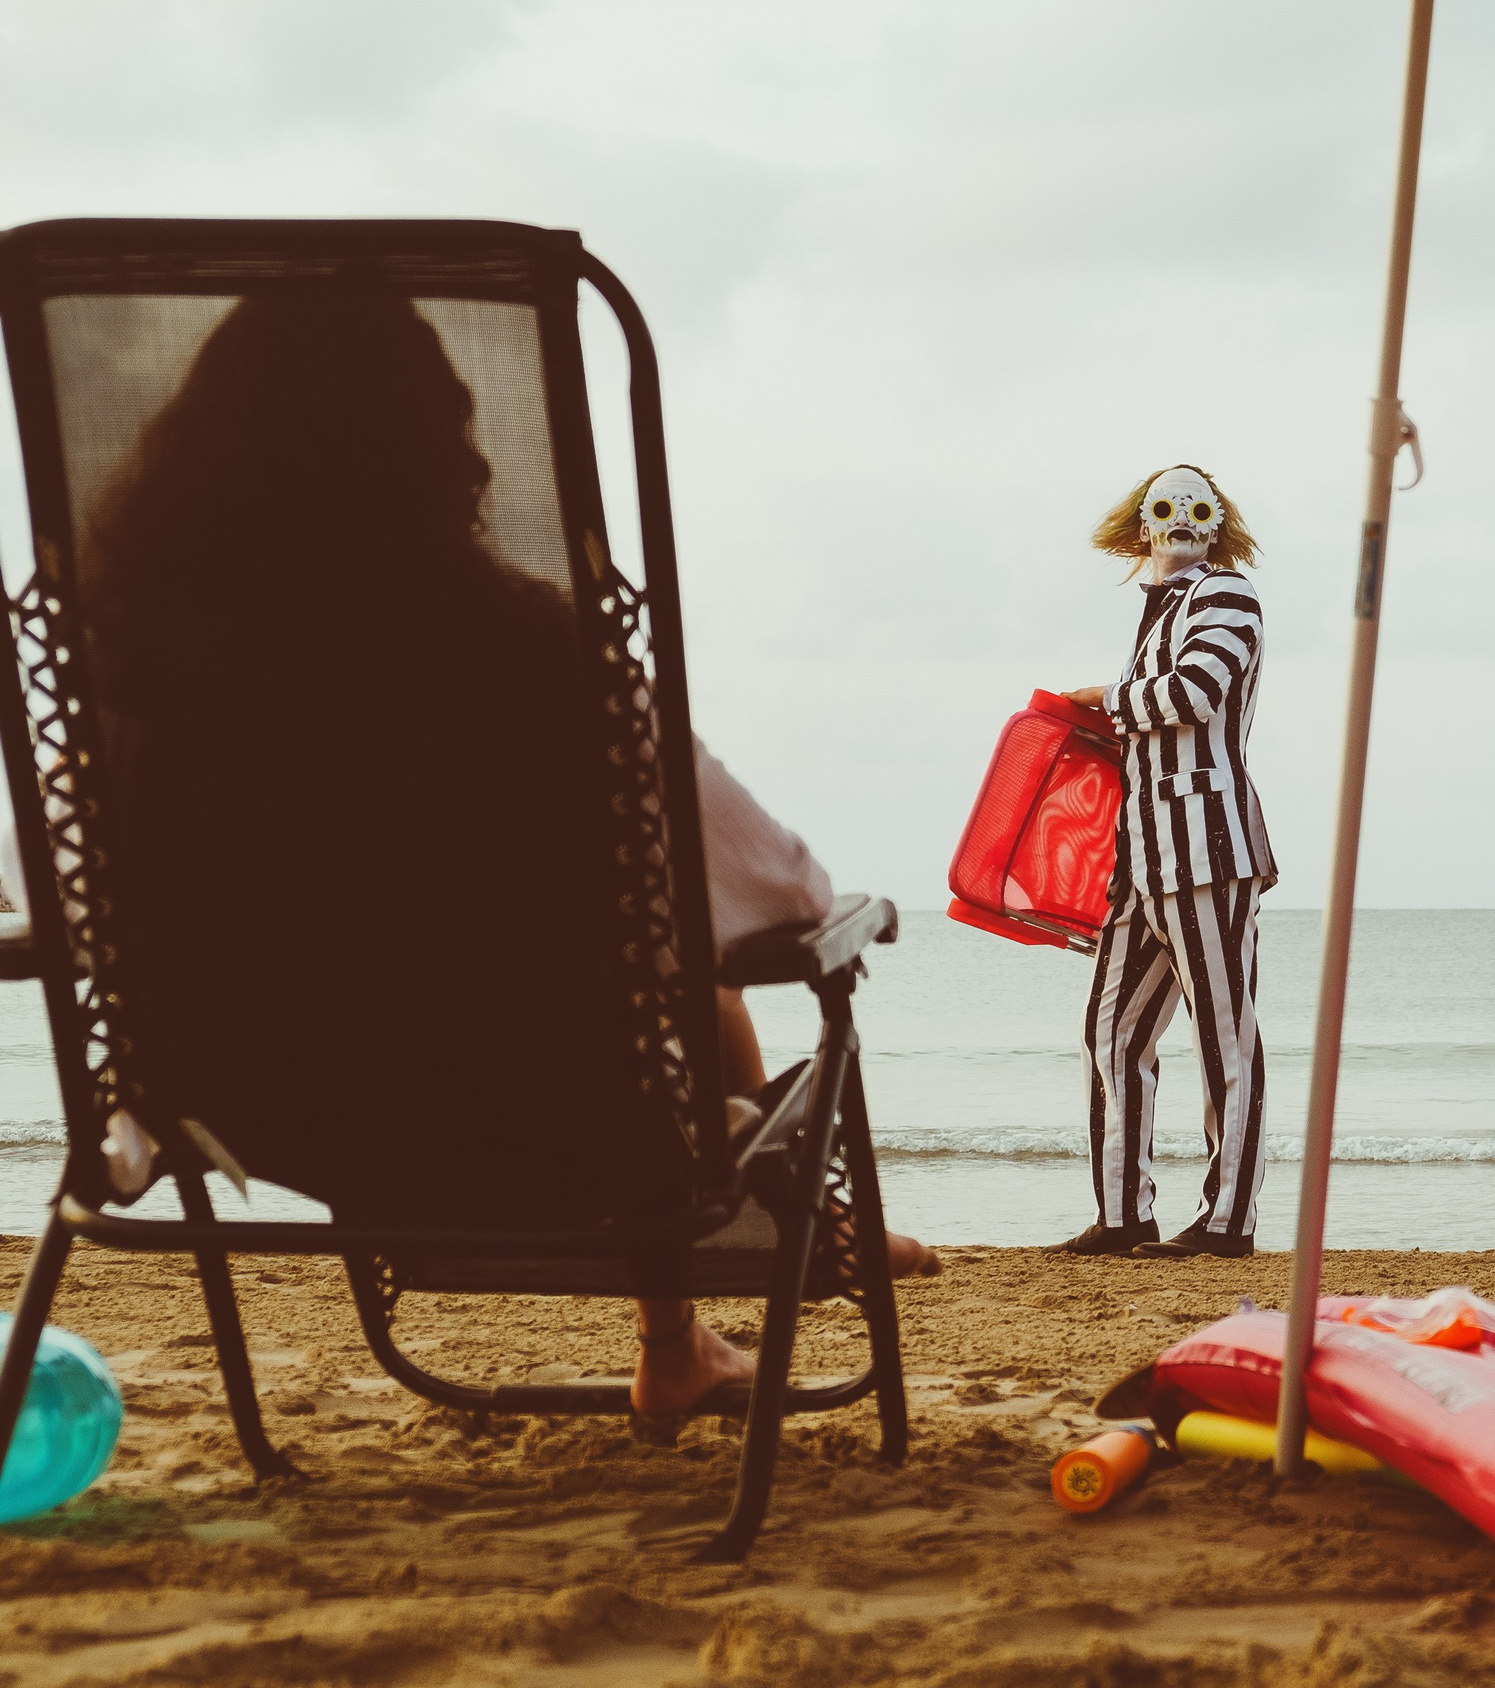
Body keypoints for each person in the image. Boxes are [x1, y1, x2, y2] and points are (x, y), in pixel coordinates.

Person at [2, 288, 932, 1422]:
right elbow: (782, 894)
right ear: (442, 452)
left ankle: (687, 1325)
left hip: (255, 1113)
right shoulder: (545, 657)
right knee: (745, 986)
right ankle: (684, 1330)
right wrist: (844, 923)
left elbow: (49, 892)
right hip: (559, 1132)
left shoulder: (132, 676)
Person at [1047, 465, 1279, 1260]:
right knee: (1110, 1034)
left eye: (1196, 508)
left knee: (1224, 1037)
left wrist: (1107, 696)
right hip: (1140, 859)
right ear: (1143, 525)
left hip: (1209, 850)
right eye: (1164, 509)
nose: (1181, 520)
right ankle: (1122, 1213)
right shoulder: (1158, 611)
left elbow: (1196, 691)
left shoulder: (1228, 594)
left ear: (1216, 522)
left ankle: (1227, 1223)